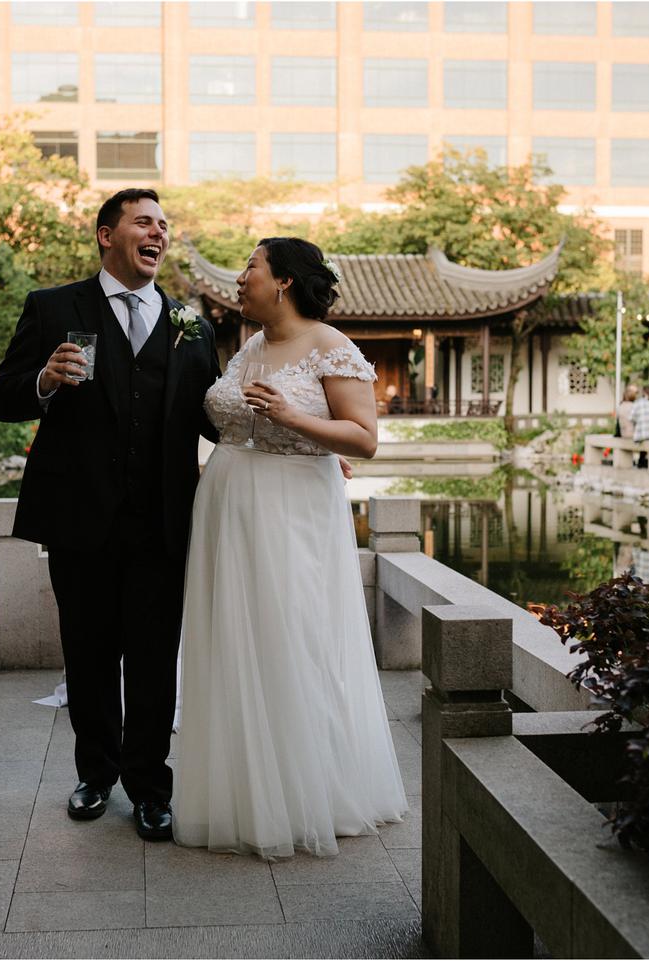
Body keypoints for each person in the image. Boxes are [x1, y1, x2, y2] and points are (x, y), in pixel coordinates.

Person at [0, 188, 221, 840]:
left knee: (153, 659)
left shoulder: (193, 326)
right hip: (79, 522)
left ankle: (150, 787)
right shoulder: (52, 307)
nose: (159, 233)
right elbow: (5, 399)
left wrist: (299, 448)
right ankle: (95, 773)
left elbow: (218, 417)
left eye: (164, 225)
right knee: (88, 656)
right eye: (145, 221)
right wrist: (44, 379)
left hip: (162, 524)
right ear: (105, 234)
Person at [173, 237, 408, 858]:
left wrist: (295, 421)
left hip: (293, 512)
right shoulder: (250, 345)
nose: (240, 276)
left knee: (291, 637)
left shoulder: (331, 345)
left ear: (281, 282)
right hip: (230, 505)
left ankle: (309, 794)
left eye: (250, 265)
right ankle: (242, 792)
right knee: (233, 639)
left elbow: (363, 438)